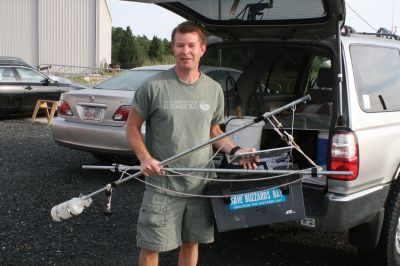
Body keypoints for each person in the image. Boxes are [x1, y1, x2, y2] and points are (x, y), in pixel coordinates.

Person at [126, 21, 257, 266]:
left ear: (202, 49)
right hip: (163, 184)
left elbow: (214, 131)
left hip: (200, 183)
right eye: (180, 45)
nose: (185, 51)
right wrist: (144, 157)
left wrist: (237, 151)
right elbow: (132, 127)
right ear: (173, 49)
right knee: (152, 246)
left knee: (191, 242)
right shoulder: (153, 86)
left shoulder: (213, 89)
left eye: (191, 45)